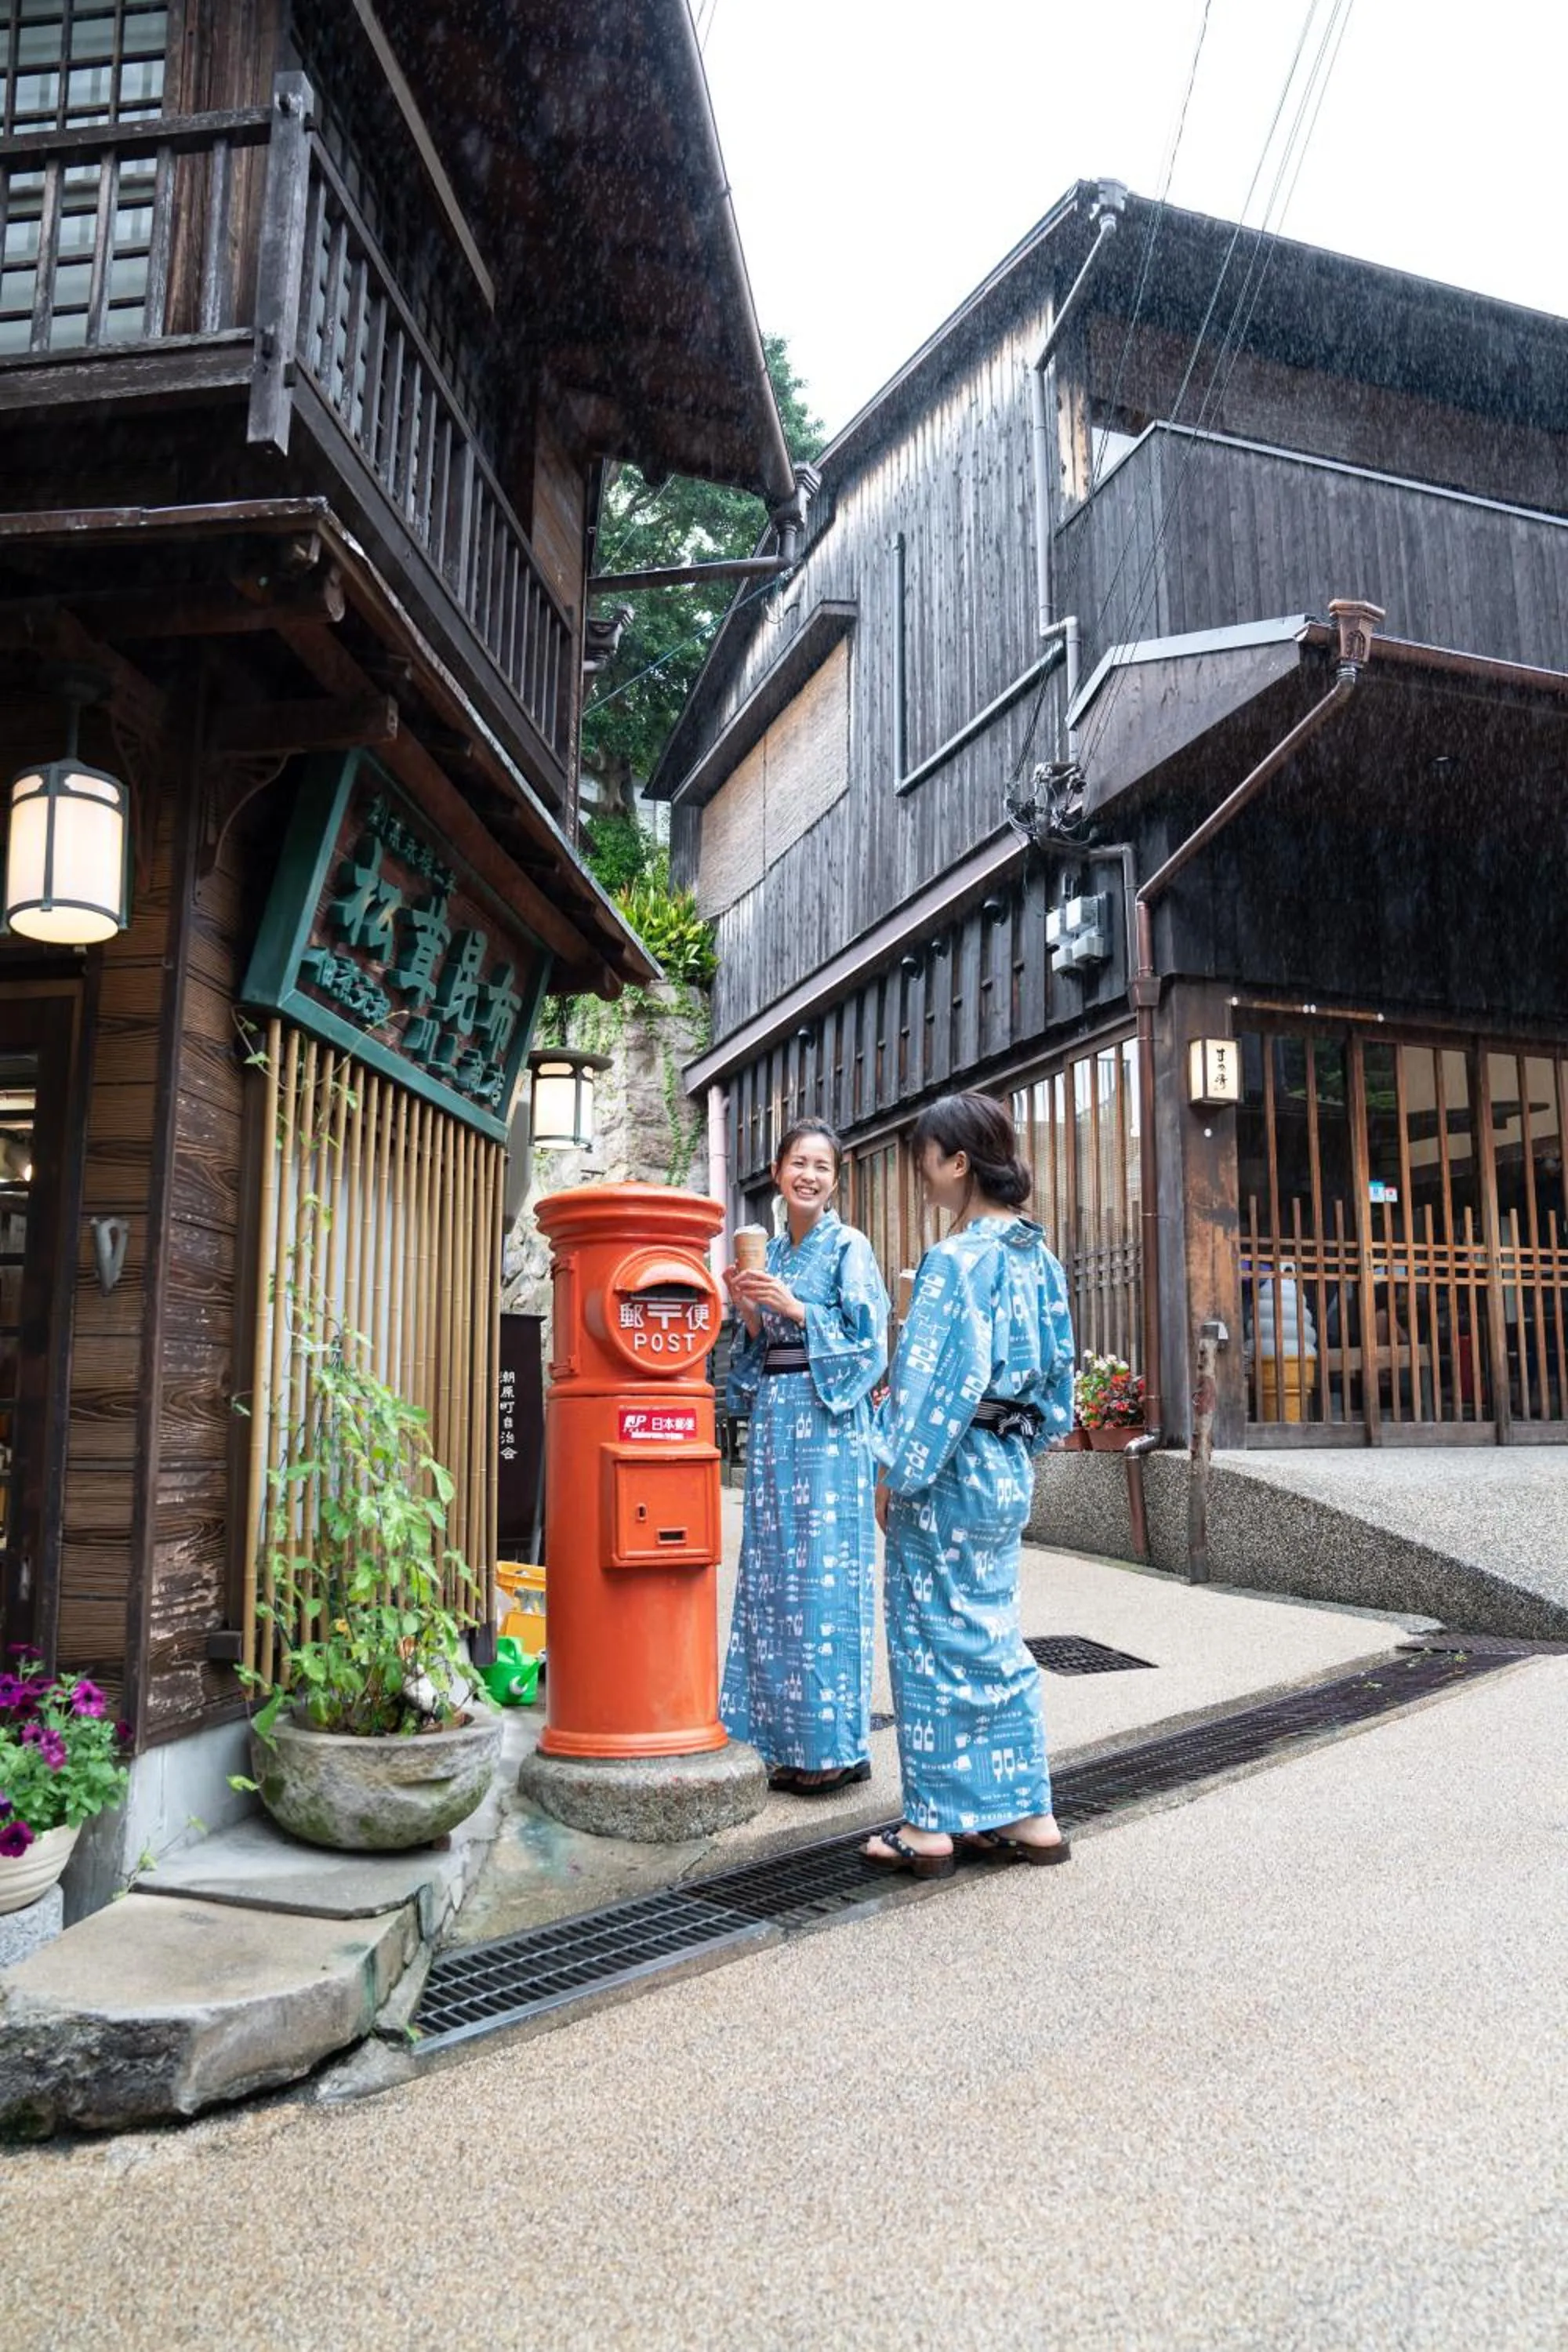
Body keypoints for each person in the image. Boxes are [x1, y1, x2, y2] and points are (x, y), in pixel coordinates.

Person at [864, 1091, 1075, 1879]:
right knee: (989, 1634)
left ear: (957, 1161)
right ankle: (1025, 1813)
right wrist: (1025, 1440)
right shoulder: (1037, 1259)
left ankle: (929, 1828)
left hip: (947, 1468)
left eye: (925, 1159)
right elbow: (1059, 1383)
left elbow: (927, 1388)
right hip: (1004, 1461)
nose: (922, 1177)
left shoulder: (955, 1261)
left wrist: (894, 1471)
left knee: (928, 1640)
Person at [721, 1120, 890, 1794]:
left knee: (822, 1578)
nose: (810, 1176)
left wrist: (793, 1305)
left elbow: (869, 1341)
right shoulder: (773, 1252)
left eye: (822, 1166)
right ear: (777, 1170)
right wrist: (754, 1312)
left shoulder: (850, 1246)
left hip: (829, 1423)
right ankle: (773, 1738)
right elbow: (755, 1361)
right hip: (777, 1421)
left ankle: (833, 1746)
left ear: (836, 1180)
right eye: (799, 1163)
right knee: (772, 1574)